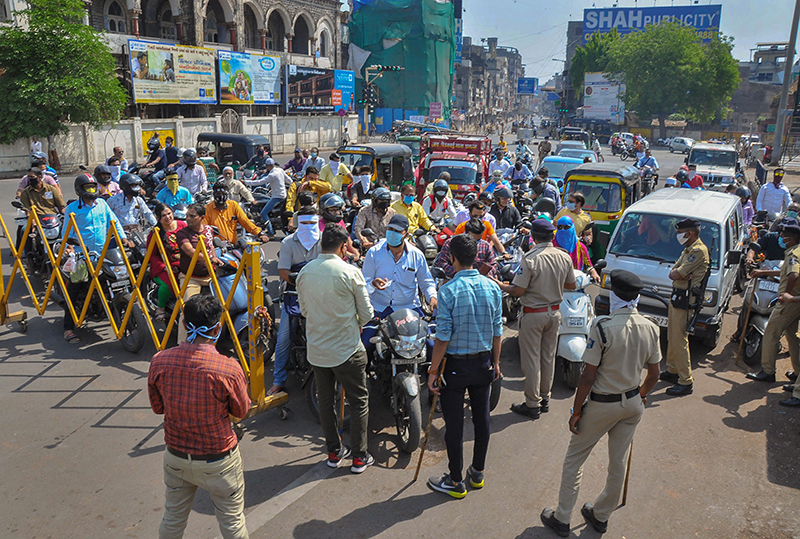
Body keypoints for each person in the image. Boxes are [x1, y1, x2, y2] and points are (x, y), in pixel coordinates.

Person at [540, 270, 661, 537]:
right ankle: (601, 515)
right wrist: (640, 395)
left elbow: (588, 375)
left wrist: (576, 410)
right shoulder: (651, 327)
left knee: (574, 460)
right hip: (631, 404)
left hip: (601, 404)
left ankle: (562, 518)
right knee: (618, 462)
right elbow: (654, 375)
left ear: (614, 294)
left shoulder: (602, 326)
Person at [147, 294, 251, 539]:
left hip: (176, 456)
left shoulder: (160, 361)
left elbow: (158, 407)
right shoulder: (228, 368)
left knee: (172, 519)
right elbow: (241, 411)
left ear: (184, 325)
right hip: (218, 459)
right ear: (218, 328)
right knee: (233, 523)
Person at [426, 234, 503, 498]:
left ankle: (456, 480)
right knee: (482, 419)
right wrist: (496, 362)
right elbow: (497, 331)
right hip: (483, 363)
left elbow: (442, 338)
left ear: (452, 258)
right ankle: (478, 472)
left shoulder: (447, 290)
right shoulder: (492, 287)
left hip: (455, 367)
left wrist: (433, 371)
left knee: (454, 425)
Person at [296, 225, 375, 473]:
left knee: (326, 401)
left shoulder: (305, 273)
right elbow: (367, 314)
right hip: (347, 349)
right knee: (359, 400)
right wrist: (355, 323)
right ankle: (360, 456)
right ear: (343, 247)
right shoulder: (350, 272)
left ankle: (334, 452)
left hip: (318, 351)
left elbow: (305, 311)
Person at [492, 219, 576, 419]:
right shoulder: (564, 257)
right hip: (554, 313)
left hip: (533, 313)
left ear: (534, 237)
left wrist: (500, 285)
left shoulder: (530, 258)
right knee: (548, 358)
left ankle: (532, 404)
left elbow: (519, 290)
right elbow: (571, 285)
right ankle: (545, 398)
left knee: (531, 361)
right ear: (552, 236)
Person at [61, 174, 131, 344]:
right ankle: (68, 328)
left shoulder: (103, 205)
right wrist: (68, 246)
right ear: (79, 190)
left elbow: (114, 223)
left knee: (117, 279)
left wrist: (123, 239)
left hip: (103, 253)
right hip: (81, 255)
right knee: (75, 289)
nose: (92, 191)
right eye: (88, 188)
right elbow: (66, 232)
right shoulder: (72, 209)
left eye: (93, 187)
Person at [360, 214, 436, 356]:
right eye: (390, 229)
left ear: (405, 234)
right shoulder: (374, 253)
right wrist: (373, 284)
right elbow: (364, 284)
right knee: (365, 346)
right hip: (380, 308)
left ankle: (430, 377)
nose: (392, 234)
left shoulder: (416, 255)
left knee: (430, 346)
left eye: (397, 231)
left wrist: (432, 297)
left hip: (409, 308)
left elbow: (426, 281)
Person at [270, 209, 322, 396]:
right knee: (284, 337)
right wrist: (304, 280)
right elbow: (283, 272)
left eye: (312, 224)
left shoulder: (325, 240)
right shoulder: (287, 242)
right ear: (299, 223)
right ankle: (278, 379)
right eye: (305, 224)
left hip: (321, 294)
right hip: (294, 293)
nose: (309, 228)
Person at [745, 224, 800, 390]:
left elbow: (794, 274)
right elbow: (785, 271)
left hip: (789, 303)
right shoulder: (796, 250)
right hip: (795, 303)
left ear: (790, 238)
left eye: (783, 237)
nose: (780, 239)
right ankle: (797, 373)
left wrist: (786, 294)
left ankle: (768, 371)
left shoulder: (794, 254)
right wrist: (762, 273)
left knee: (770, 333)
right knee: (792, 336)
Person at [660, 218, 709, 397]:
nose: (678, 236)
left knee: (680, 340)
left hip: (687, 301)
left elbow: (676, 273)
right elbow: (674, 271)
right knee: (672, 335)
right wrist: (679, 274)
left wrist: (679, 274)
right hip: (678, 297)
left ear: (690, 233)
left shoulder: (697, 251)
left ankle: (685, 381)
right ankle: (673, 370)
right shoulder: (688, 249)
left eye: (681, 233)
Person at [176, 204, 223, 342]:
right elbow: (190, 251)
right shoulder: (182, 233)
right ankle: (182, 344)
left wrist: (215, 258)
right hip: (191, 277)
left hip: (211, 276)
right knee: (187, 310)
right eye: (187, 216)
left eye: (192, 216)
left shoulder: (208, 229)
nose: (188, 219)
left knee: (224, 305)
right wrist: (210, 259)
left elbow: (211, 246)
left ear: (202, 218)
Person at [147, 204, 187, 322]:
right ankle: (161, 308)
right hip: (165, 268)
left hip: (185, 264)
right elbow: (151, 255)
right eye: (163, 215)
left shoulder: (182, 225)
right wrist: (163, 267)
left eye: (169, 213)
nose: (168, 217)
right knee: (168, 285)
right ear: (158, 218)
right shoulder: (155, 233)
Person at [204, 180, 267, 244]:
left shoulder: (233, 205)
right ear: (214, 195)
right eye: (218, 194)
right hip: (216, 248)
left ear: (227, 194)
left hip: (233, 245)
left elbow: (245, 221)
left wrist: (259, 233)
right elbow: (203, 229)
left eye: (223, 194)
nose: (221, 196)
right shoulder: (207, 209)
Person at [244, 158, 287, 236]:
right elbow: (288, 179)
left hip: (277, 197)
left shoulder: (272, 175)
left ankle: (271, 233)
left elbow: (260, 182)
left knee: (263, 213)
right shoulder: (280, 170)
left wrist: (246, 182)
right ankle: (272, 227)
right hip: (283, 195)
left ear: (267, 166)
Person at [553, 216, 599, 282]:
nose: (563, 230)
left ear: (572, 228)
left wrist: (593, 272)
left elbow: (588, 264)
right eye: (560, 227)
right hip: (554, 281)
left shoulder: (581, 247)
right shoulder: (551, 244)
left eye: (566, 227)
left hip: (575, 281)